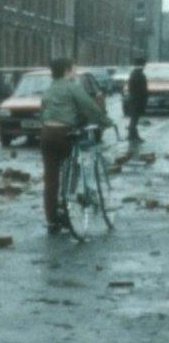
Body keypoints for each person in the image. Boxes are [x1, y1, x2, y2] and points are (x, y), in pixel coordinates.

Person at [40, 58, 112, 235]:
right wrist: (105, 121)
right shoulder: (72, 87)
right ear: (66, 71)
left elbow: (43, 110)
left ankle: (52, 220)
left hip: (47, 134)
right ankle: (69, 197)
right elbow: (90, 107)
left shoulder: (49, 89)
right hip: (64, 134)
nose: (75, 72)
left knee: (50, 179)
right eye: (73, 69)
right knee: (73, 165)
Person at [126, 57, 149, 142]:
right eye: (144, 64)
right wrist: (143, 99)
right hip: (137, 100)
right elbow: (141, 89)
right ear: (142, 65)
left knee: (134, 118)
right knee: (134, 118)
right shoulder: (138, 74)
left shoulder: (135, 74)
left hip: (134, 100)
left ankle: (132, 135)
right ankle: (133, 136)